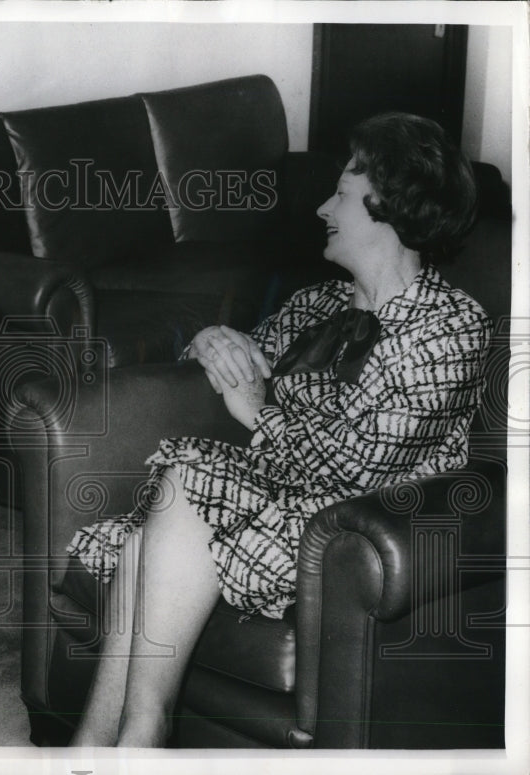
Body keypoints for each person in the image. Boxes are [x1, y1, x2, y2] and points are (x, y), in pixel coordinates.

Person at [65, 112, 491, 747]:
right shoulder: (317, 305)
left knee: (176, 499)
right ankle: (107, 745)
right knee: (151, 532)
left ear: (389, 205)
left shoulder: (452, 326)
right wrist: (211, 339)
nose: (323, 206)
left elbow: (362, 463)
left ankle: (133, 736)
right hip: (278, 492)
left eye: (341, 193)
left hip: (355, 528)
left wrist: (257, 413)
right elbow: (237, 365)